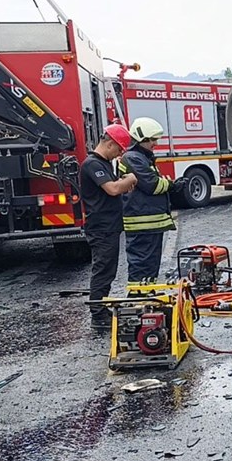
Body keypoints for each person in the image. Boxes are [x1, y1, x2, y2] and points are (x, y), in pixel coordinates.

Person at [79, 124, 138, 329]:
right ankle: (98, 313)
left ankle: (101, 307)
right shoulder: (92, 164)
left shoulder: (104, 163)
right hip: (101, 228)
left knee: (108, 269)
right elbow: (112, 189)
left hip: (109, 226)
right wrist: (129, 178)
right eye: (119, 149)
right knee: (103, 269)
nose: (120, 153)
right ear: (110, 143)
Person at [119, 117, 174, 288]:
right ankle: (137, 299)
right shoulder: (133, 158)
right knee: (141, 265)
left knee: (149, 266)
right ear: (142, 139)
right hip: (141, 223)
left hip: (149, 222)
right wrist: (172, 185)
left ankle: (147, 295)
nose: (155, 143)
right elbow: (152, 184)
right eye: (152, 139)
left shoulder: (141, 157)